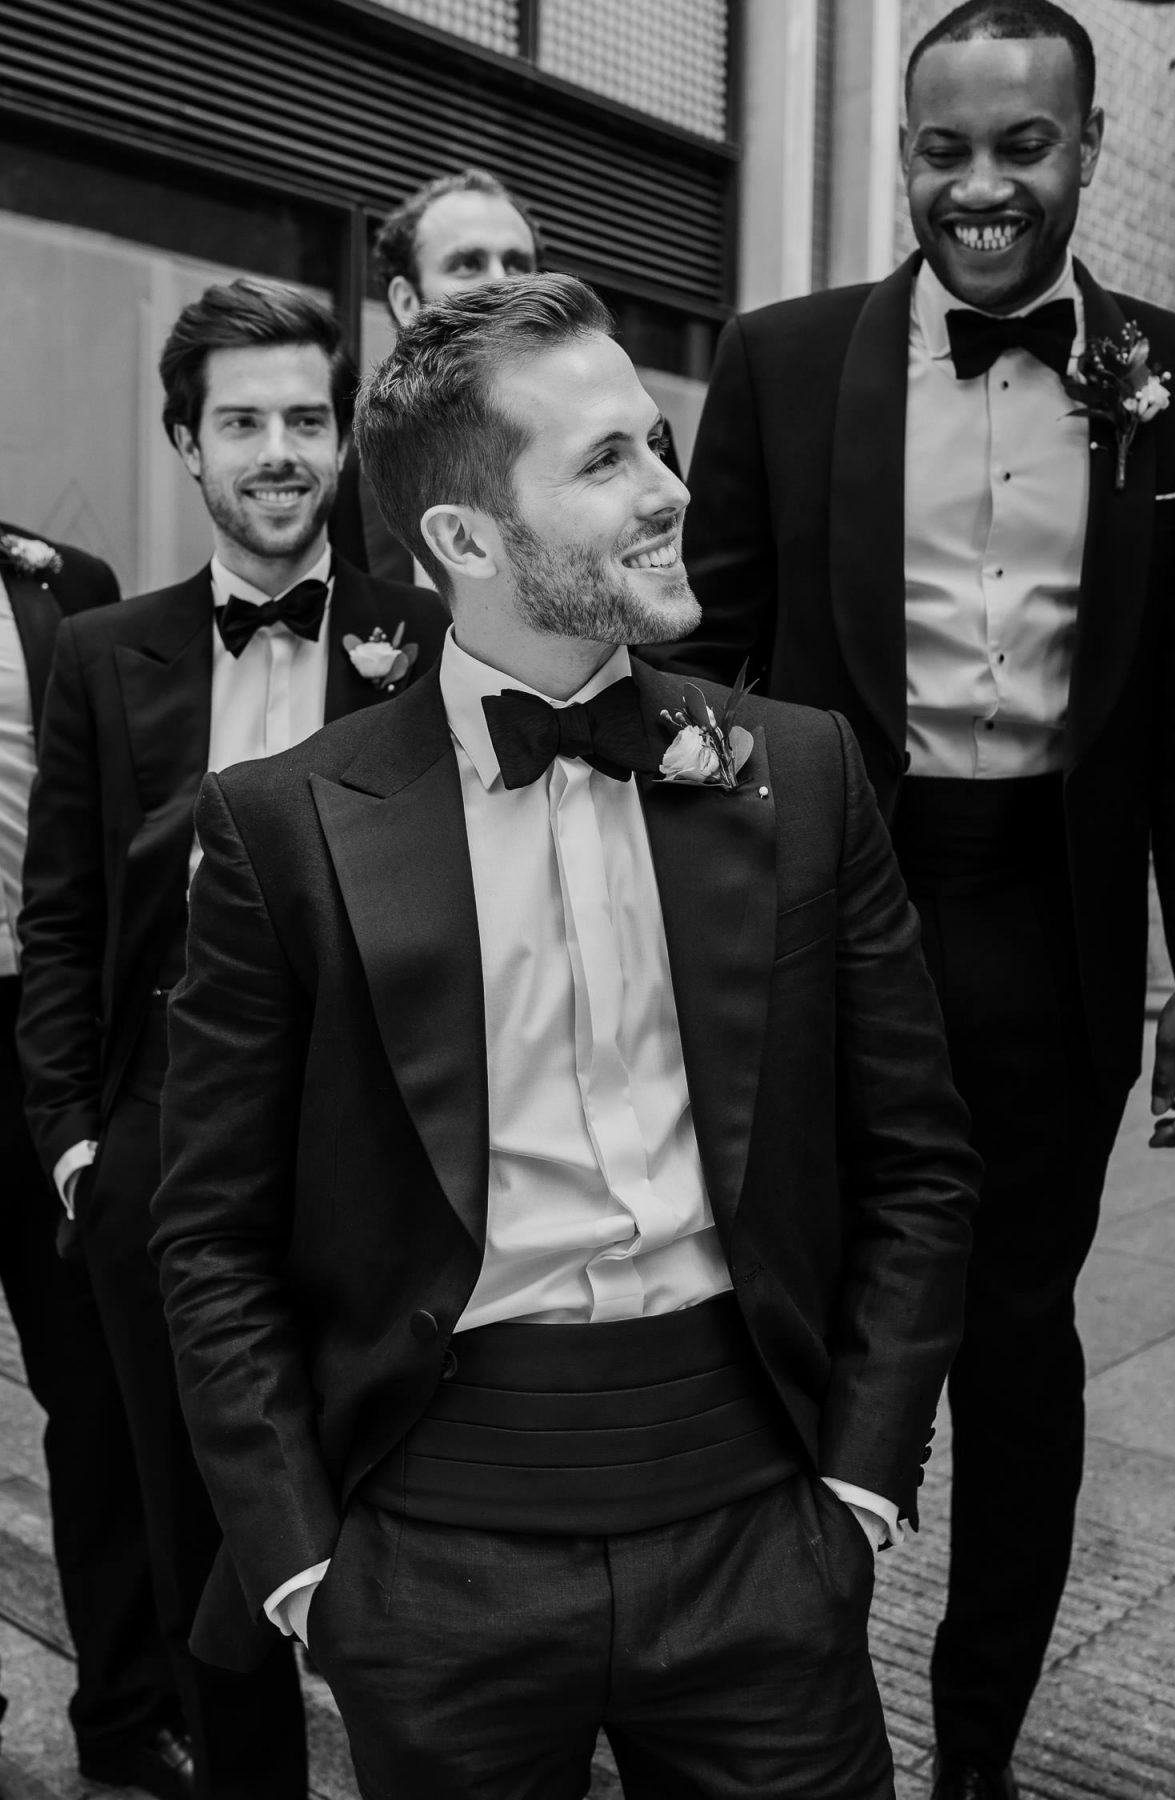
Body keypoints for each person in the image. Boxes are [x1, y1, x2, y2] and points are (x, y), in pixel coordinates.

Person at [150, 272, 979, 1800]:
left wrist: (859, 1485)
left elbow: (919, 1162)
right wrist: (308, 1573)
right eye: (607, 462)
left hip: (762, 1533)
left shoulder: (803, 775)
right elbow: (209, 1232)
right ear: (465, 539)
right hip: (434, 1560)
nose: (672, 491)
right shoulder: (284, 827)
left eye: (658, 445)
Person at [664, 4, 1175, 1795]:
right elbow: (711, 666)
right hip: (831, 922)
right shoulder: (783, 362)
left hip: (1053, 928)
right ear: (903, 155)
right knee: (803, 1337)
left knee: (1019, 1347)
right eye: (942, 150)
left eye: (1020, 148)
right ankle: (799, 1723)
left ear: (1090, 149)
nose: (979, 188)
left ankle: (977, 1755)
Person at [16, 277, 446, 1800]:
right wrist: (76, 1142)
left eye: (306, 419)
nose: (279, 450)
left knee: (397, 1519)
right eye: (242, 422)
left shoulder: (430, 634)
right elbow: (60, 920)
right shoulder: (102, 655)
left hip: (383, 1160)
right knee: (198, 1532)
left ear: (343, 441)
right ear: (187, 447)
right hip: (163, 1158)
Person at [0, 524, 192, 1797]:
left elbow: (89, 857)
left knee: (102, 1401)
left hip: (31, 1031)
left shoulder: (61, 586)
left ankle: (127, 1717)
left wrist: (76, 1121)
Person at [329, 166, 679, 580]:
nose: (500, 282)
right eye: (467, 264)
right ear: (407, 300)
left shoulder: (637, 433)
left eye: (517, 263)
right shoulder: (339, 468)